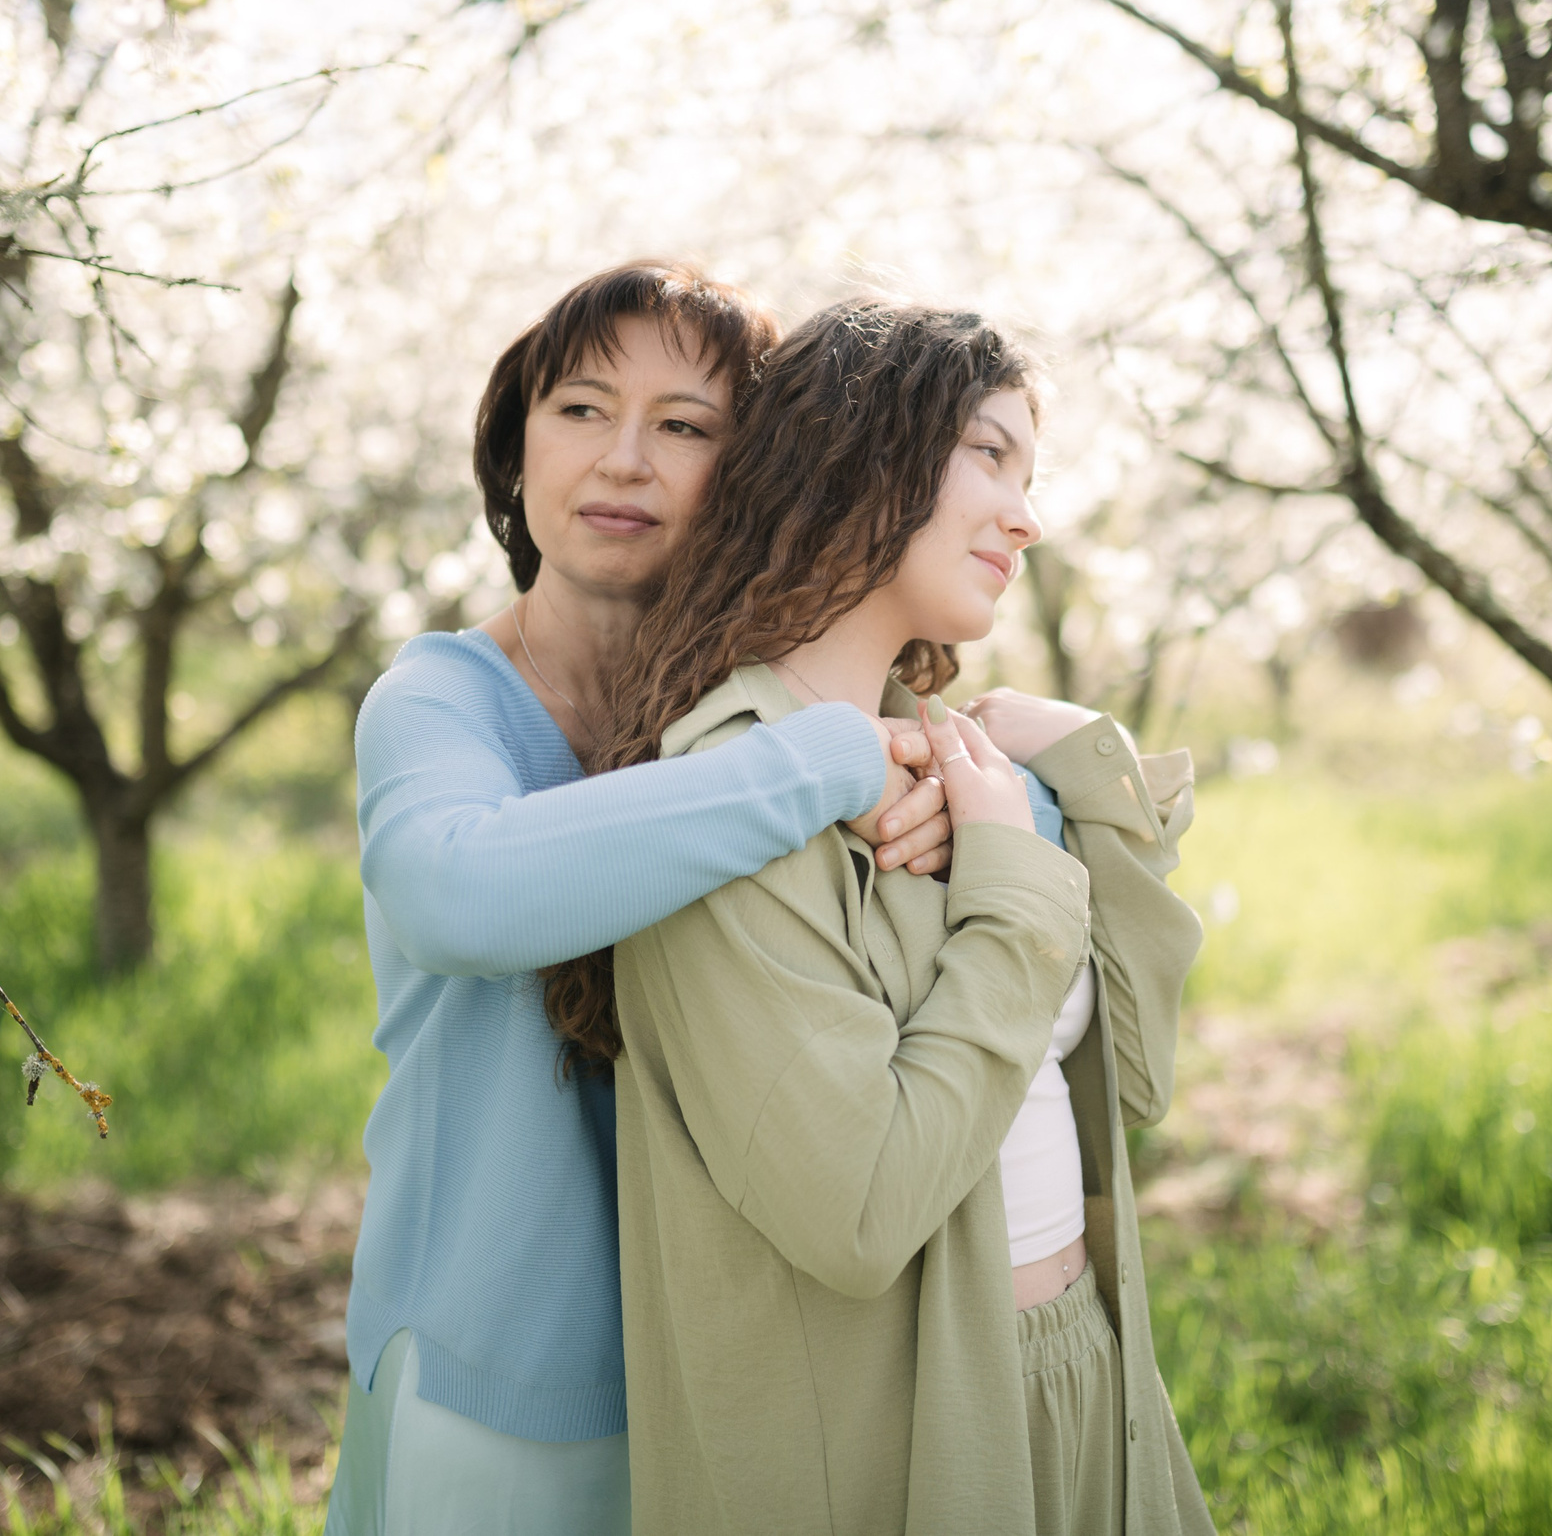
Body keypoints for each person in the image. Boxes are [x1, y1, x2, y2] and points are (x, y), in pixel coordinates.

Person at [322, 262, 962, 1536]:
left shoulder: (764, 713)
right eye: (580, 410)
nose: (624, 459)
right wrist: (827, 761)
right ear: (516, 448)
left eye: (685, 426)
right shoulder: (441, 701)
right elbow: (459, 892)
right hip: (502, 1373)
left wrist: (971, 785)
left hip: (743, 1373)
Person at [576, 298, 1217, 1535]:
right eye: (989, 452)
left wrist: (1067, 760)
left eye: (1030, 473)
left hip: (1090, 1375)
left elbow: (1134, 1075)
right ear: (860, 450)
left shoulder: (960, 772)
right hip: (911, 1437)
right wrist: (1018, 897)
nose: (1025, 516)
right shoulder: (731, 801)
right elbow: (861, 1212)